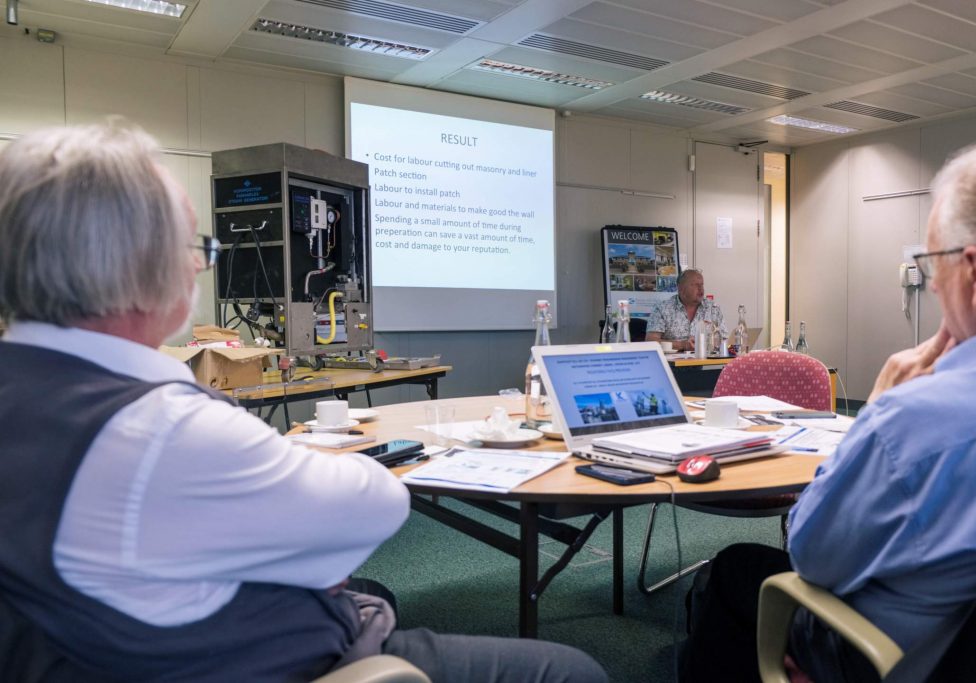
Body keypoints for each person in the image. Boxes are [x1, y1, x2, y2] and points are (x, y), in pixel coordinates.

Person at [0, 123, 606, 683]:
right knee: (568, 671)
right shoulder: (159, 424)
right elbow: (376, 507)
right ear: (137, 263)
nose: (197, 266)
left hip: (96, 643)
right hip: (242, 660)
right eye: (196, 248)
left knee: (368, 588)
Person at [680, 136, 976, 682]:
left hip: (889, 656)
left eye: (934, 264)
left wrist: (881, 409)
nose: (932, 284)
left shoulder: (917, 418)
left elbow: (812, 552)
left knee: (731, 574)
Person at [645, 268, 723, 351]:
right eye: (696, 285)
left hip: (706, 362)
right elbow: (651, 341)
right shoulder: (662, 308)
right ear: (681, 288)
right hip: (672, 363)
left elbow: (724, 340)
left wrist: (706, 343)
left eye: (702, 285)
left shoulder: (713, 308)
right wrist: (682, 345)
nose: (701, 289)